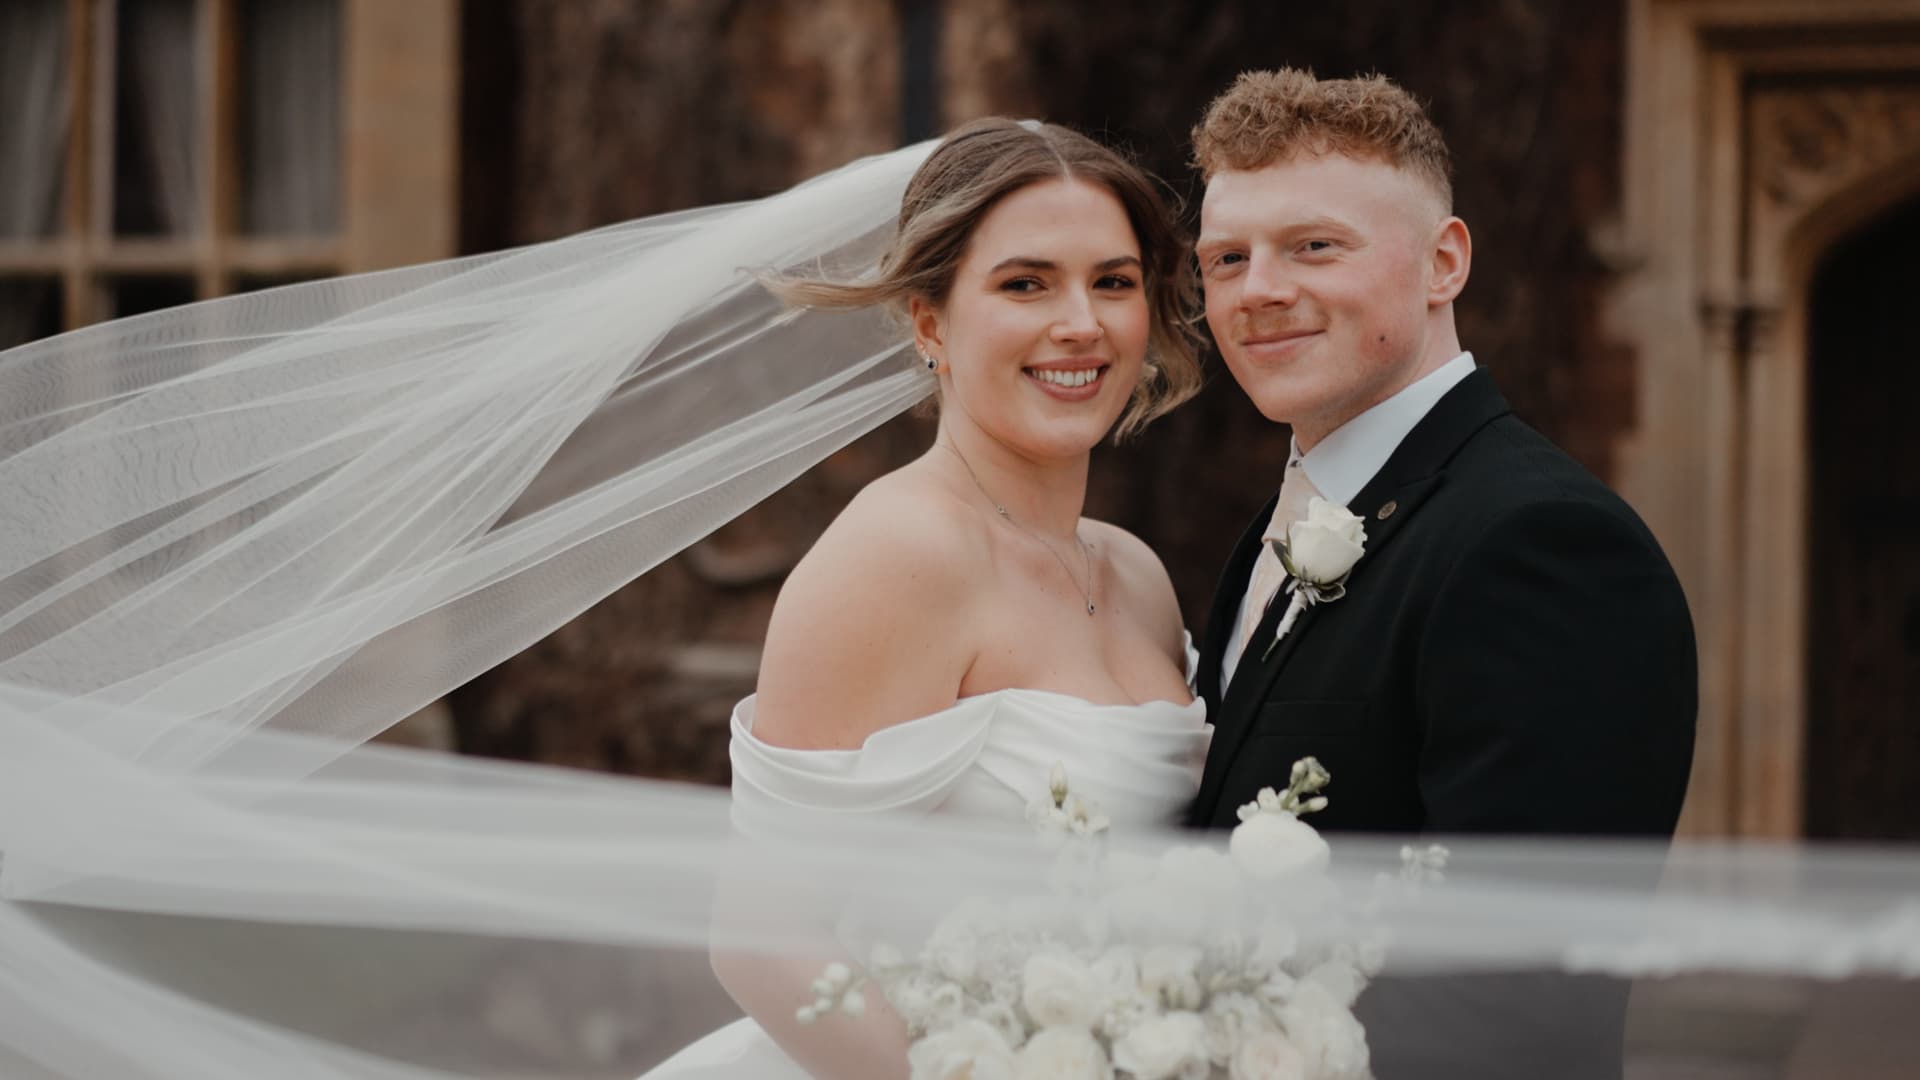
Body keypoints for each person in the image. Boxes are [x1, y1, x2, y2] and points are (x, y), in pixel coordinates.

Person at [640, 116, 1212, 1078]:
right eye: (1026, 283)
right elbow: (761, 937)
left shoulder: (1134, 574)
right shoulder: (899, 555)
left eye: (1112, 282)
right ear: (930, 320)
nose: (1081, 322)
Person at [1184, 69, 1699, 1078]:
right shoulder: (1288, 521)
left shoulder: (1542, 544)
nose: (1258, 291)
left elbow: (1514, 996)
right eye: (1226, 258)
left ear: (1444, 262)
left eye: (1314, 246)